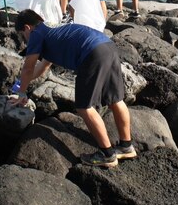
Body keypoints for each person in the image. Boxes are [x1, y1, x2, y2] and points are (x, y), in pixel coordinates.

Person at [10, 9, 135, 168]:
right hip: (107, 45)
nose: (25, 39)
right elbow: (42, 67)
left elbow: (28, 67)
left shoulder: (36, 33)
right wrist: (22, 84)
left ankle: (107, 154)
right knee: (115, 100)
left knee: (84, 107)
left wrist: (22, 94)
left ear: (27, 28)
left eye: (22, 35)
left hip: (92, 53)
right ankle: (126, 146)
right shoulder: (52, 29)